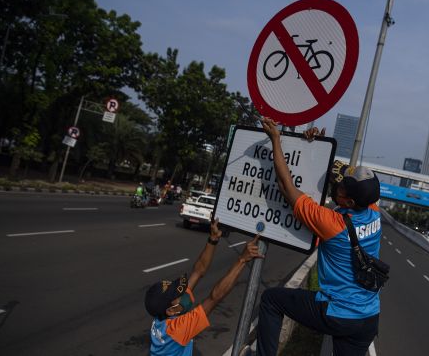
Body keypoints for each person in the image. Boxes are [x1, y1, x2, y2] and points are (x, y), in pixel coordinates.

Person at [256, 118, 381, 356]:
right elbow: (338, 176)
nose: (338, 182)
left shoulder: (331, 223)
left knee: (272, 300)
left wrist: (275, 139)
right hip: (368, 317)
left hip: (337, 312)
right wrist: (315, 148)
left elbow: (285, 185)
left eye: (343, 186)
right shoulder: (373, 213)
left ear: (349, 201)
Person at [145, 219, 263, 355]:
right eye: (178, 295)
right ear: (171, 311)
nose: (184, 292)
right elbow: (214, 297)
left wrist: (213, 239)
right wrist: (242, 260)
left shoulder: (162, 315)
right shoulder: (177, 329)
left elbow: (198, 271)